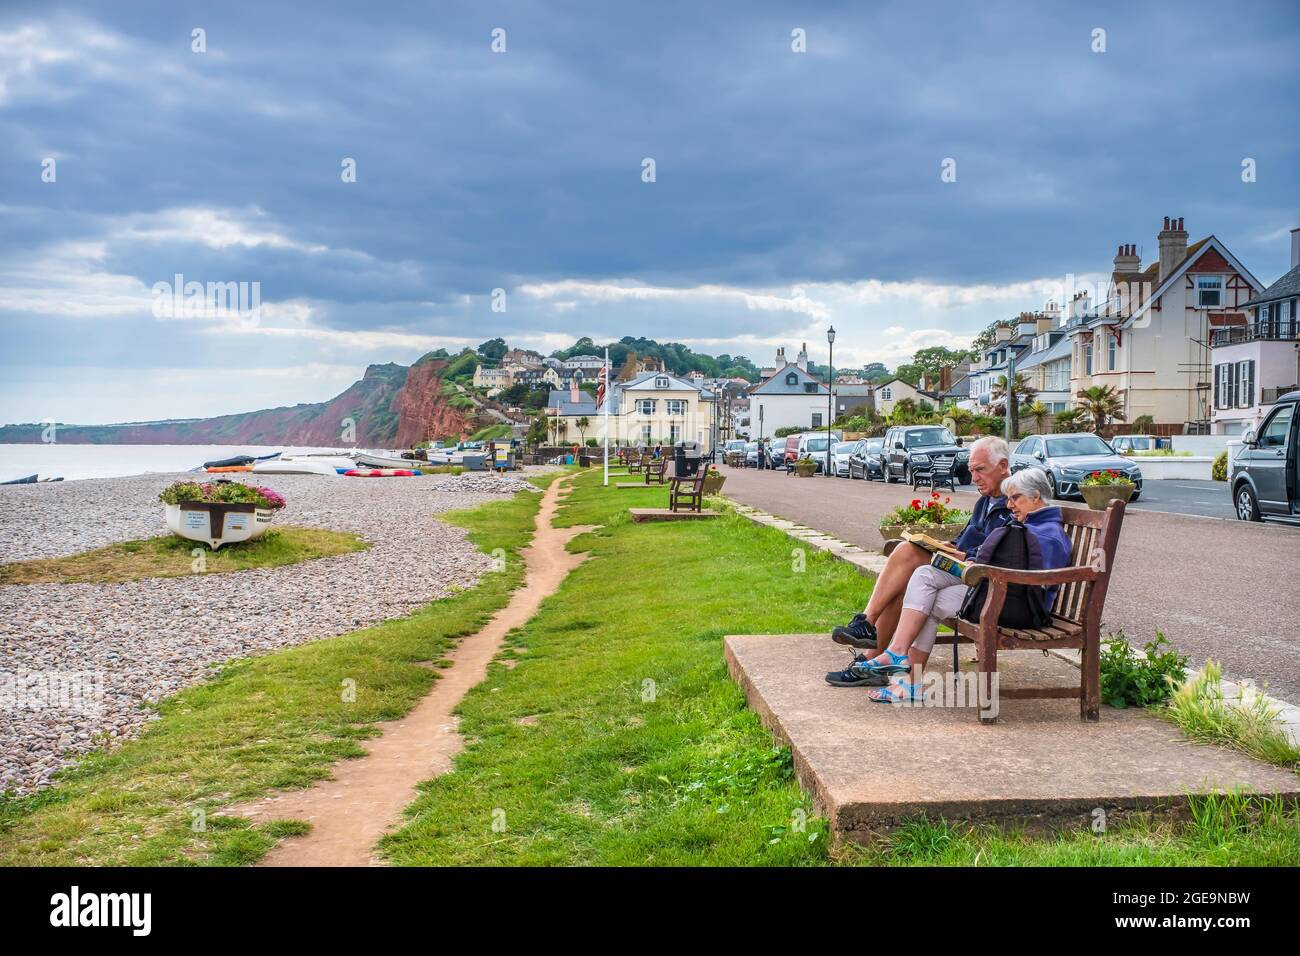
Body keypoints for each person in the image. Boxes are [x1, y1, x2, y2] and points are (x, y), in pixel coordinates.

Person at [827, 467, 1072, 697]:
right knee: (924, 579)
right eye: (1008, 499)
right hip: (998, 593)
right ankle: (902, 666)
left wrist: (982, 568)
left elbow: (1038, 582)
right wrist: (970, 562)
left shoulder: (1046, 534)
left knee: (925, 588)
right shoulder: (1027, 525)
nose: (1010, 505)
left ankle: (902, 667)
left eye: (1015, 498)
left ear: (1036, 496)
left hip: (1016, 607)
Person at [829, 436, 1014, 652]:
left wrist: (965, 555)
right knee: (902, 582)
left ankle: (867, 623)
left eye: (980, 470)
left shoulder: (1018, 501)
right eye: (972, 471)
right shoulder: (985, 501)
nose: (974, 478)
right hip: (963, 567)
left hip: (982, 577)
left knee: (907, 552)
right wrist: (949, 545)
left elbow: (1005, 548)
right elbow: (969, 536)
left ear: (1003, 466)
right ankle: (871, 658)